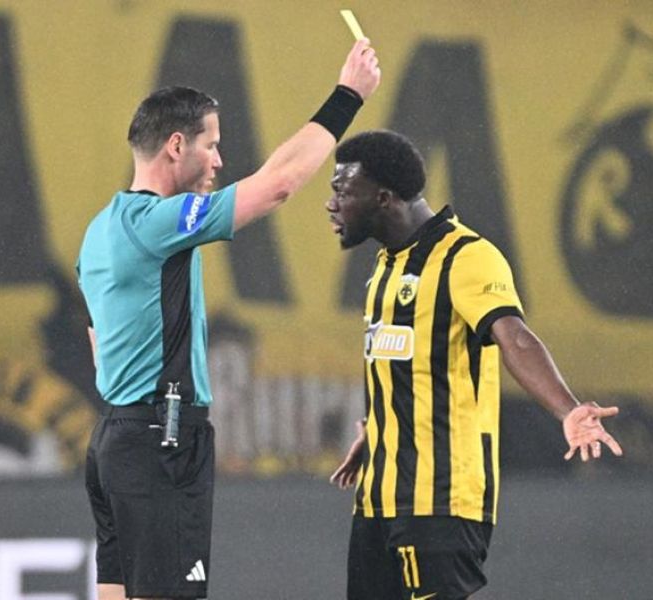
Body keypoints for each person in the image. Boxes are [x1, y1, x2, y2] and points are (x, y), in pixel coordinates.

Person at [77, 40, 380, 600]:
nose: (218, 161)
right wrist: (348, 95)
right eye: (211, 145)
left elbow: (99, 344)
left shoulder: (100, 231)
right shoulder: (158, 223)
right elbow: (277, 184)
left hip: (115, 439)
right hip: (161, 439)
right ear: (176, 146)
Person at [327, 130, 623, 600]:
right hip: (377, 501)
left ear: (383, 198)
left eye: (342, 191)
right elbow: (403, 363)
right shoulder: (385, 267)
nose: (332, 204)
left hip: (440, 501)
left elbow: (515, 338)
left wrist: (567, 409)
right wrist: (378, 429)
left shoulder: (467, 257)